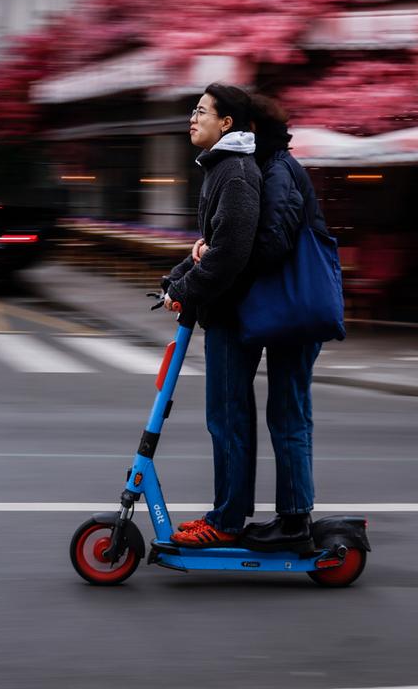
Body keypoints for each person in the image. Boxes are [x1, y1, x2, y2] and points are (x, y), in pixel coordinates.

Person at [163, 87, 325, 552]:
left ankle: (287, 521)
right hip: (281, 306)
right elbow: (232, 242)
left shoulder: (266, 172)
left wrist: (196, 279)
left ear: (240, 126)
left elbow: (259, 246)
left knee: (283, 415)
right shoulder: (254, 168)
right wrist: (192, 267)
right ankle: (266, 516)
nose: (193, 118)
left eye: (202, 111)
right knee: (277, 414)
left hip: (294, 306)